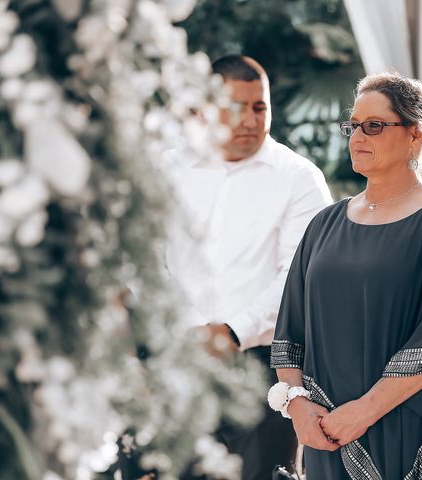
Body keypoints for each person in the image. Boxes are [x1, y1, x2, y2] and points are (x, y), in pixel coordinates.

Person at [268, 71, 422, 479]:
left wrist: (362, 413)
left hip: (414, 433)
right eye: (353, 126)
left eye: (374, 126)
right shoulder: (324, 224)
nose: (358, 136)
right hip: (329, 435)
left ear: (416, 135)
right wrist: (295, 405)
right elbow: (289, 335)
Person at [164, 55, 333, 480]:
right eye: (235, 106)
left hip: (262, 372)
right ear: (205, 109)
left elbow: (300, 279)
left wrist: (232, 331)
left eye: (259, 107)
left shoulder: (299, 179)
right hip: (173, 359)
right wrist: (182, 330)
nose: (250, 119)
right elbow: (147, 259)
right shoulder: (168, 169)